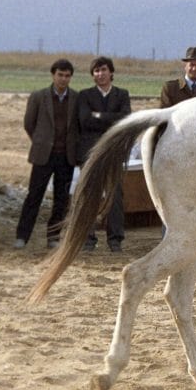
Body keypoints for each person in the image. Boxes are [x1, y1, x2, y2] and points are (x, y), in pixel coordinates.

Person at [14, 59, 78, 249]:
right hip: (44, 156)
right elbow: (29, 123)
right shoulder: (39, 96)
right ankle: (22, 236)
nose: (63, 79)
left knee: (61, 199)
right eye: (60, 75)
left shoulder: (76, 98)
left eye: (67, 76)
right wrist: (41, 141)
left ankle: (53, 237)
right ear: (53, 75)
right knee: (34, 196)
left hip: (66, 157)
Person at [75, 56, 132, 252]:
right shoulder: (84, 95)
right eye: (96, 71)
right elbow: (84, 121)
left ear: (111, 72)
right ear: (92, 75)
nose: (100, 74)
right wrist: (110, 119)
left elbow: (125, 120)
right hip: (91, 153)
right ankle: (88, 239)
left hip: (114, 153)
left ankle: (115, 239)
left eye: (104, 70)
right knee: (89, 195)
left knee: (115, 196)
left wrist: (98, 115)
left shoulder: (122, 95)